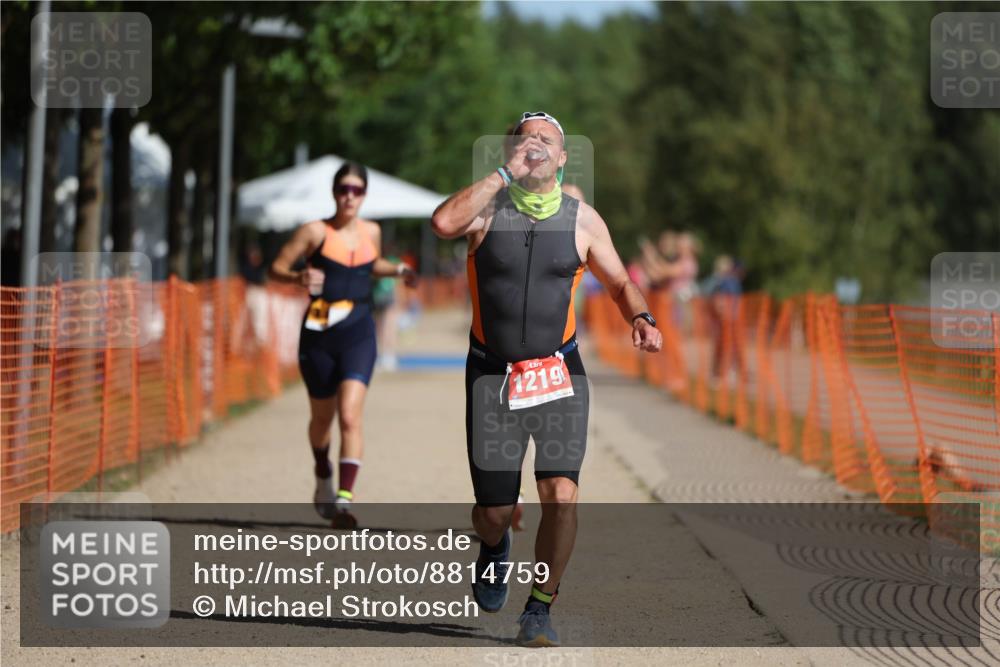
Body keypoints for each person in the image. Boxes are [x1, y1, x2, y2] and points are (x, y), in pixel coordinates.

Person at [432, 111, 662, 647]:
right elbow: (442, 225)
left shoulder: (584, 221)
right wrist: (502, 175)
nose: (535, 144)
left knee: (561, 493)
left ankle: (539, 606)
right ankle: (493, 548)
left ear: (562, 159)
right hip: (492, 376)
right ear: (510, 152)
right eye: (524, 139)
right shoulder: (487, 209)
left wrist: (641, 316)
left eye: (546, 140)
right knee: (491, 513)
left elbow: (621, 280)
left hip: (559, 374)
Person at [270, 162, 417, 527]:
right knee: (322, 418)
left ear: (364, 195)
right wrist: (297, 276)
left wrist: (398, 270)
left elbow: (372, 264)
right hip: (319, 334)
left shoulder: (372, 230)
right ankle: (323, 473)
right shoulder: (313, 231)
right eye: (343, 190)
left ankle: (344, 501)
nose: (349, 197)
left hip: (358, 331)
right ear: (334, 192)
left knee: (350, 415)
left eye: (356, 190)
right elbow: (275, 268)